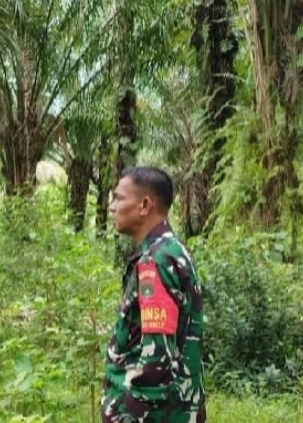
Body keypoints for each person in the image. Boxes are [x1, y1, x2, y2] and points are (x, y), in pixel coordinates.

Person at [101, 166, 205, 423]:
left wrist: (129, 415)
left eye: (119, 198)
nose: (112, 206)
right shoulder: (172, 250)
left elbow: (157, 358)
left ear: (145, 205)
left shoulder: (156, 261)